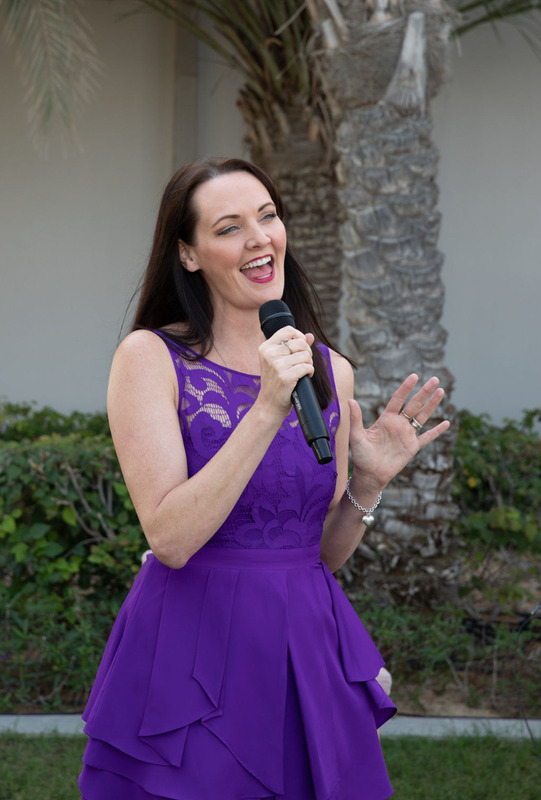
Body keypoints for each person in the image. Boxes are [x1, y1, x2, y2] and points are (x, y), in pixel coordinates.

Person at [79, 157, 450, 800]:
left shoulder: (329, 369)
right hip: (189, 649)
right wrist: (265, 408)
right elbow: (170, 538)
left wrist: (366, 484)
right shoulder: (151, 358)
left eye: (268, 216)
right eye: (229, 227)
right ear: (188, 254)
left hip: (303, 642)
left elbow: (318, 554)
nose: (259, 238)